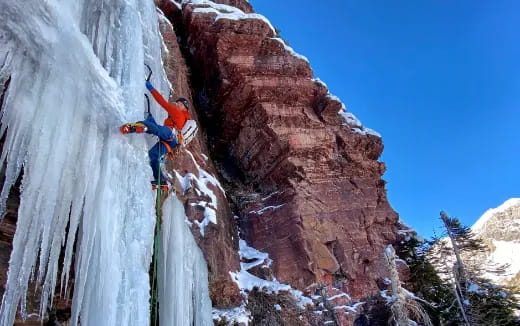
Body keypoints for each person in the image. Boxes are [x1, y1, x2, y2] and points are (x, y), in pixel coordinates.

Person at [120, 80, 192, 188]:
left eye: (180, 104)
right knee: (153, 155)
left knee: (155, 129)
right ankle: (161, 180)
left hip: (170, 134)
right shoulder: (181, 119)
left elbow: (162, 102)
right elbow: (159, 130)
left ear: (184, 108)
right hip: (171, 142)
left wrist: (151, 88)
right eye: (177, 103)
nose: (177, 105)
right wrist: (151, 121)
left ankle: (137, 127)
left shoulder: (179, 114)